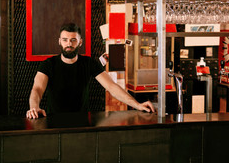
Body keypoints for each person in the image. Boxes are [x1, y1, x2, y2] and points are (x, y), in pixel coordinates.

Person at [26, 23, 155, 119]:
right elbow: (37, 89)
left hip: (82, 122)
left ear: (80, 42)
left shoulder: (89, 63)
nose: (69, 44)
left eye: (73, 40)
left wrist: (137, 105)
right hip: (54, 122)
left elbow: (111, 86)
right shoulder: (48, 64)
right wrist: (34, 107)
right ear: (59, 41)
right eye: (65, 40)